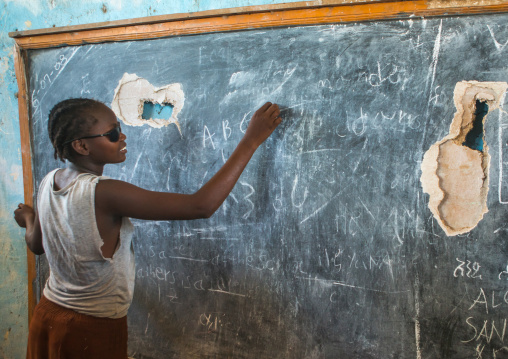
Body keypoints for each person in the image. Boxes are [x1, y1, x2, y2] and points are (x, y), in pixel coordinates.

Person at [14, 98, 282, 359]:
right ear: (82, 145)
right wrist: (251, 140)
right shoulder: (104, 192)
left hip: (48, 314)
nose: (123, 137)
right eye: (113, 133)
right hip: (89, 329)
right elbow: (201, 206)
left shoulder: (51, 181)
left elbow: (37, 245)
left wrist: (29, 219)